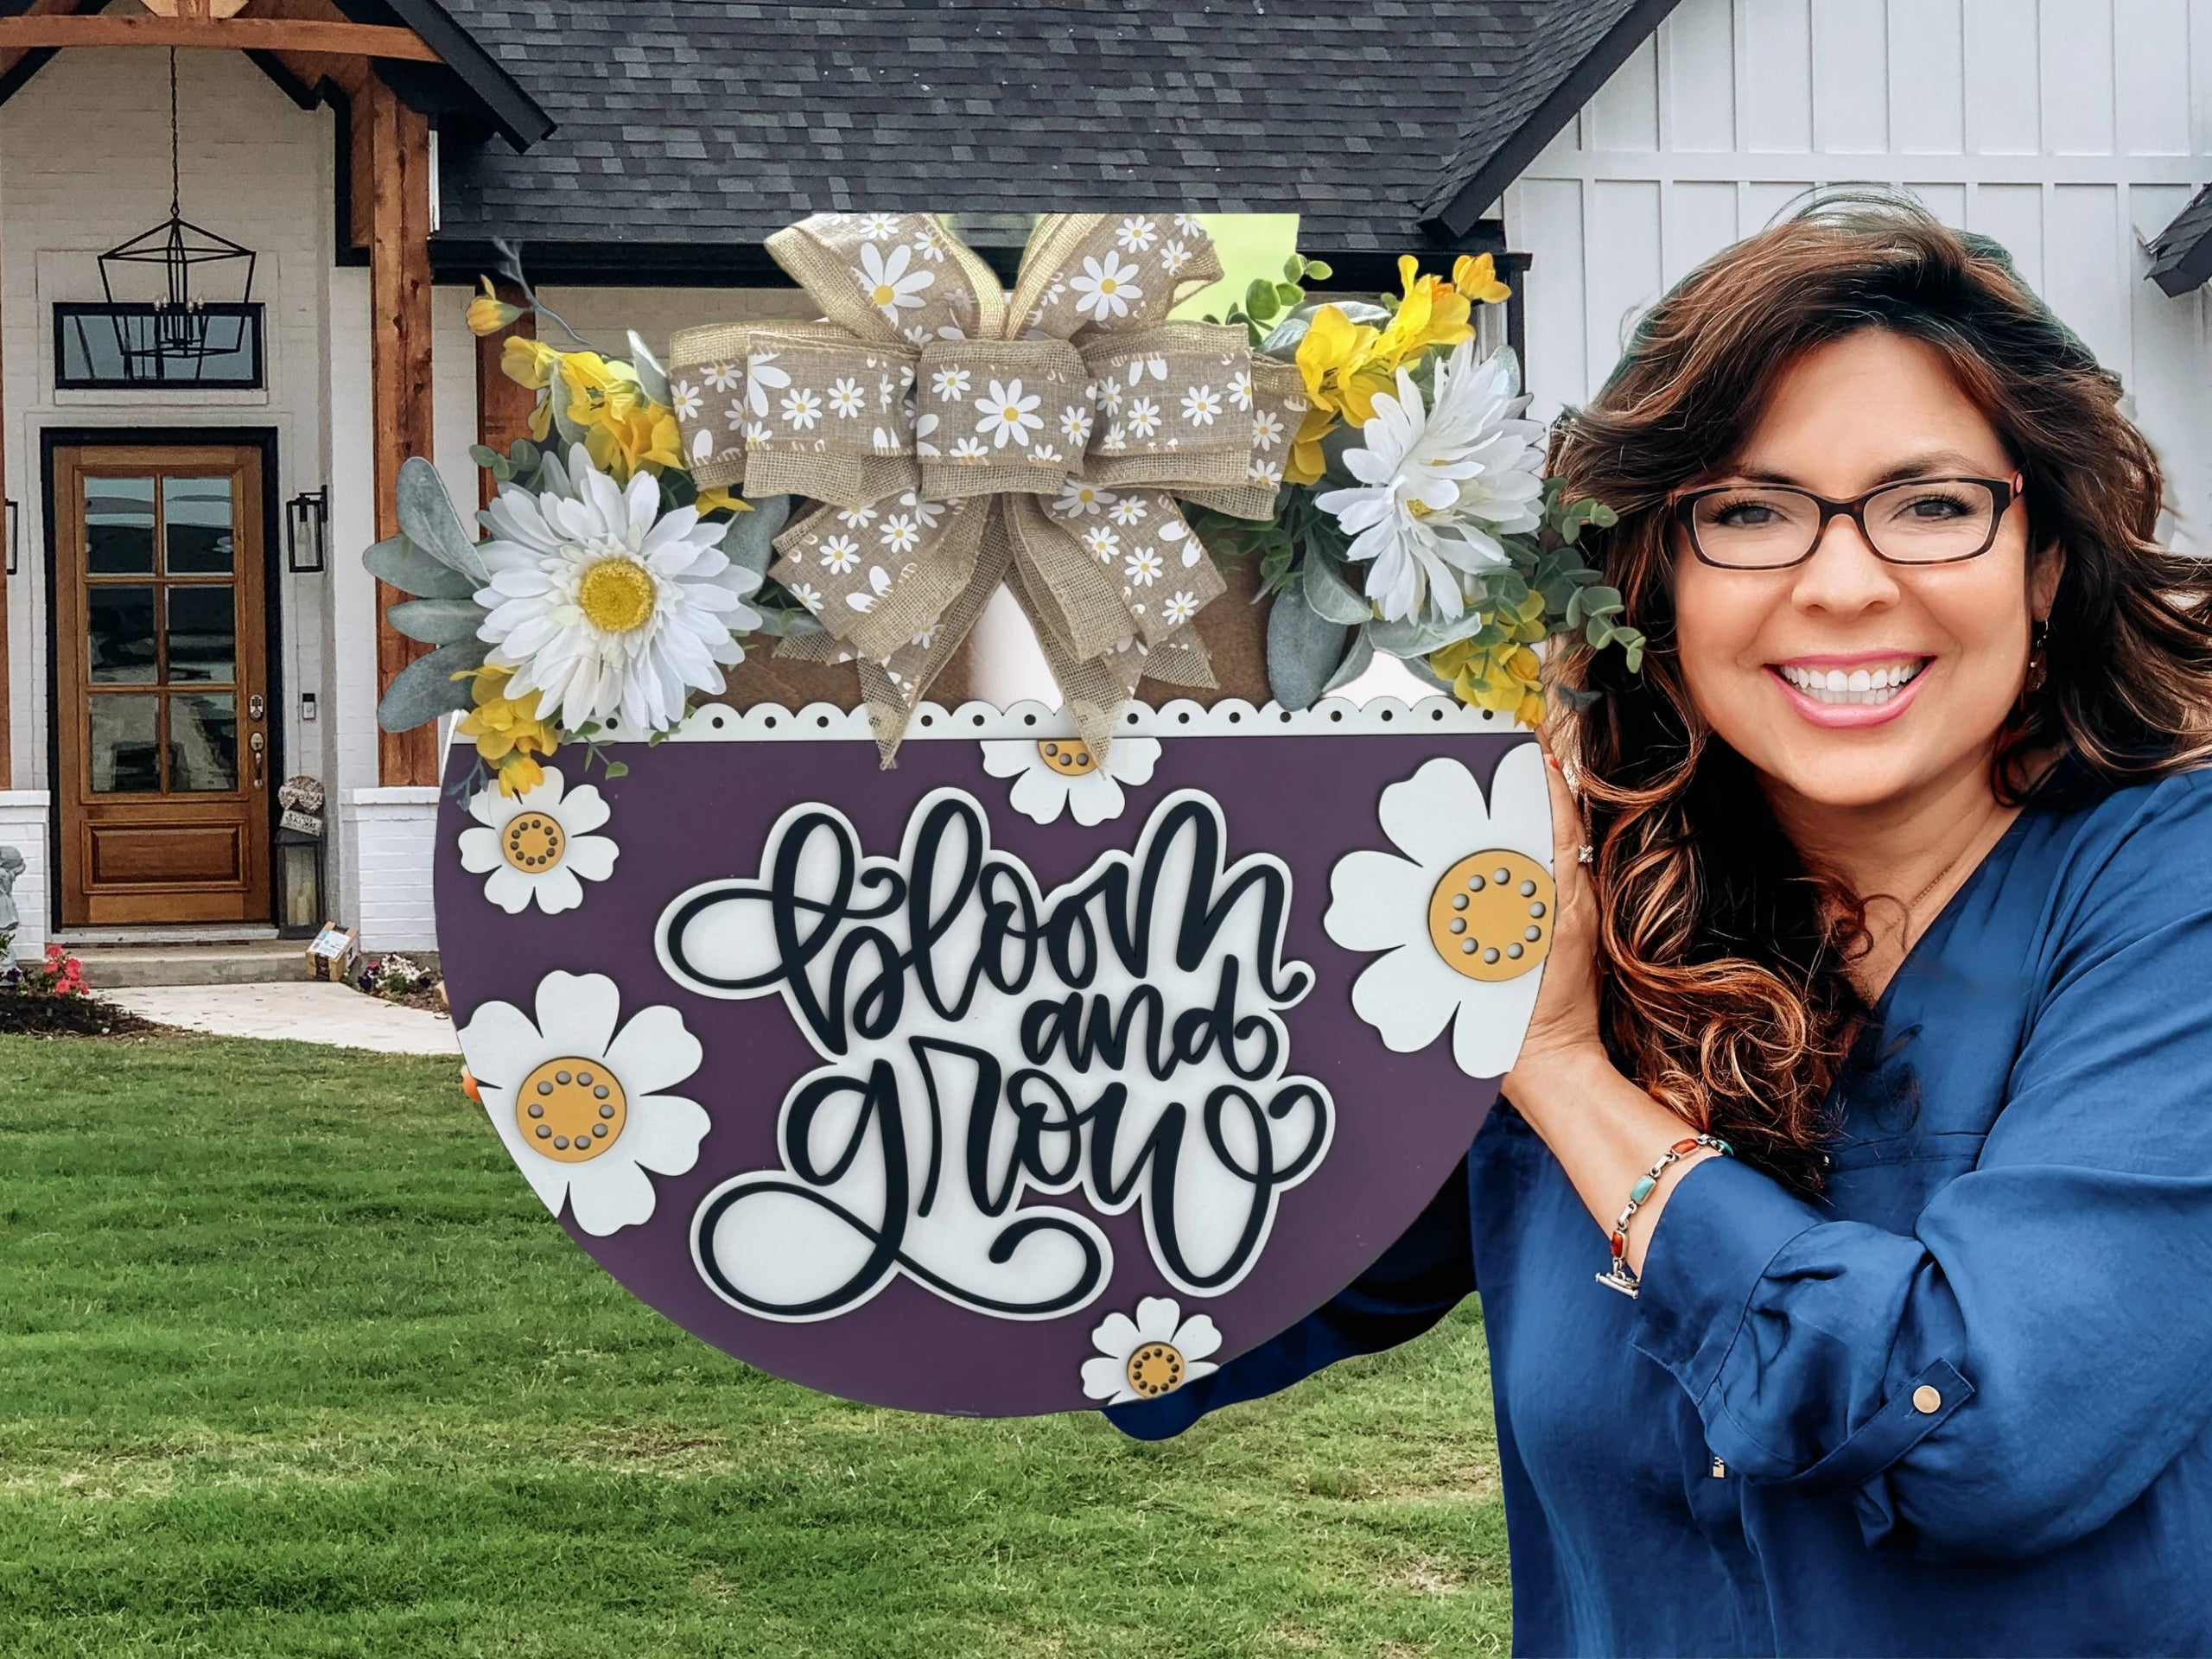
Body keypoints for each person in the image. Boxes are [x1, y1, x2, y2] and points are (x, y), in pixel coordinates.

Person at [1107, 197, 2212, 1657]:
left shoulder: (2172, 898)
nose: (1842, 583)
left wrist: (1566, 1075)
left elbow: (1987, 1428)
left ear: (2045, 562)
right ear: (1655, 580)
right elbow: (1179, 1299)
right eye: (1747, 513)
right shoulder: (1577, 904)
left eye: (1933, 506)